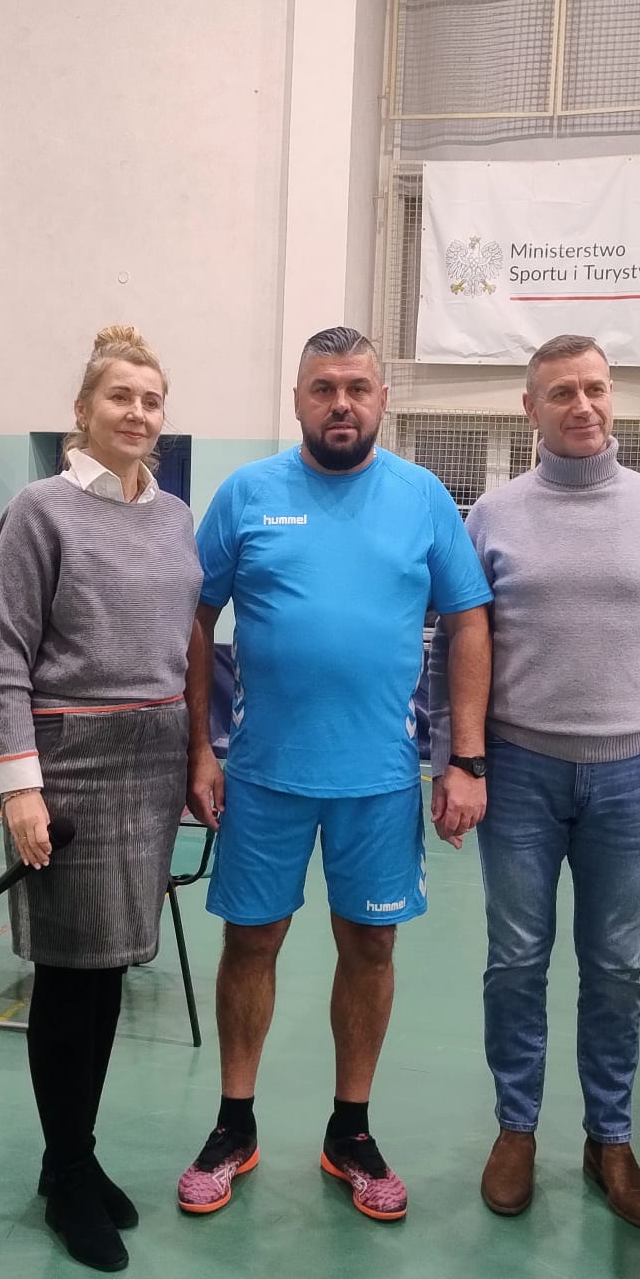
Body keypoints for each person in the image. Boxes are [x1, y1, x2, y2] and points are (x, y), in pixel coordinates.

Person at [177, 325, 493, 1224]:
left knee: (372, 948)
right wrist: (199, 748)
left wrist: (465, 758)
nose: (341, 403)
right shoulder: (247, 494)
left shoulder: (423, 498)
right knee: (250, 943)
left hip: (381, 778)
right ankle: (234, 1124)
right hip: (263, 775)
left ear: (383, 398)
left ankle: (349, 1131)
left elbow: (470, 621)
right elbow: (195, 618)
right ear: (298, 400)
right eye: (323, 388)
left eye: (357, 387)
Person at [430, 334, 640, 1231]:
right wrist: (455, 760)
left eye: (594, 388)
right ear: (531, 409)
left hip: (631, 777)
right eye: (561, 392)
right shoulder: (492, 514)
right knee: (516, 962)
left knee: (615, 968)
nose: (582, 405)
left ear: (613, 395)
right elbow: (455, 644)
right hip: (518, 774)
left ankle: (611, 1140)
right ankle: (516, 1128)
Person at [0, 325, 204, 1274]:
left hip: (151, 761)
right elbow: (4, 656)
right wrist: (21, 786)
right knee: (70, 974)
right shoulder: (40, 510)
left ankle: (71, 1153)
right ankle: (68, 1174)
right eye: (121, 396)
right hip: (70, 762)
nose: (138, 413)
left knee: (110, 970)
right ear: (83, 410)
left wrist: (197, 754)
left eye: (152, 400)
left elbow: (185, 645)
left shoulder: (176, 516)